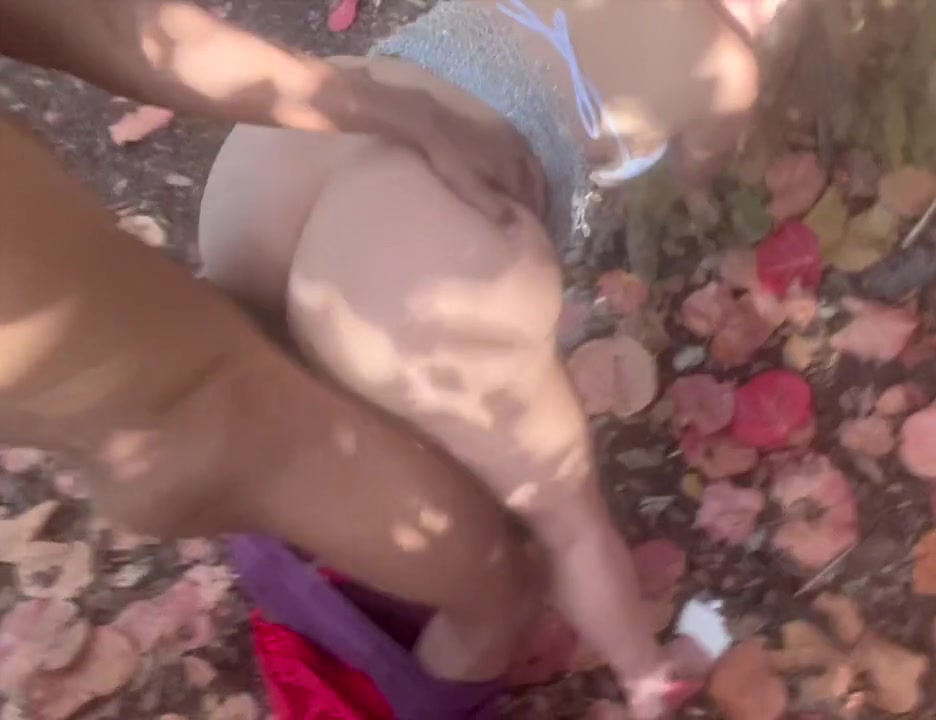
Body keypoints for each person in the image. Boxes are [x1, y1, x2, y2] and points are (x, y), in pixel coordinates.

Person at [197, 0, 787, 716]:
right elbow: (700, 166)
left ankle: (301, 556)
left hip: (290, 148)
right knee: (567, 526)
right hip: (428, 250)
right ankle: (649, 675)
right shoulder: (725, 63)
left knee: (284, 368)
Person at [0, 0, 552, 707]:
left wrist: (393, 108)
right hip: (179, 410)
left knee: (245, 373)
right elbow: (112, 25)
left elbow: (111, 25)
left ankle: (304, 521)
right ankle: (474, 620)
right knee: (500, 591)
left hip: (150, 387)